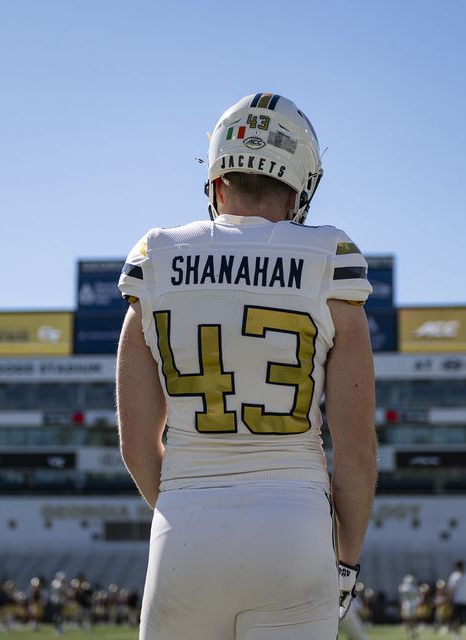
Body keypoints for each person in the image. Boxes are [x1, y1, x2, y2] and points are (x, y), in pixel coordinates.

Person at [116, 92, 377, 640]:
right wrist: (346, 561)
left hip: (184, 526)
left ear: (215, 182)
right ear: (300, 186)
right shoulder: (331, 258)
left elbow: (137, 443)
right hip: (294, 524)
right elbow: (354, 447)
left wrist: (190, 507)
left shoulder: (155, 257)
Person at [448, 560, 466, 640]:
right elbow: (451, 589)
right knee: (457, 620)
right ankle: (457, 636)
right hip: (457, 601)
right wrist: (450, 600)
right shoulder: (454, 576)